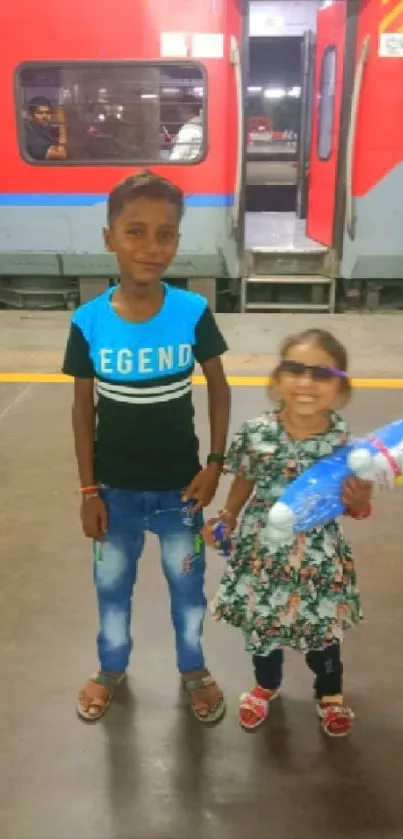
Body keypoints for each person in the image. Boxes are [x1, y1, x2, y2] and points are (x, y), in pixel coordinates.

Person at [62, 170, 230, 723]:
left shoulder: (192, 313)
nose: (151, 247)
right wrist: (89, 490)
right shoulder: (87, 323)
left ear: (177, 240)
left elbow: (219, 386)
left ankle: (193, 669)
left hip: (181, 491)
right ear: (109, 237)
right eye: (135, 232)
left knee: (188, 593)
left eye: (166, 234)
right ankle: (110, 668)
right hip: (113, 493)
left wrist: (215, 465)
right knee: (112, 590)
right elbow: (83, 408)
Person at [204, 329, 373, 737]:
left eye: (321, 374)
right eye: (295, 370)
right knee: (263, 629)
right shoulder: (256, 433)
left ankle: (329, 694)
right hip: (263, 552)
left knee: (322, 638)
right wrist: (227, 514)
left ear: (339, 388)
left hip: (317, 557)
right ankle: (266, 685)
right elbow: (245, 478)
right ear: (277, 381)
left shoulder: (345, 445)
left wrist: (360, 499)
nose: (306, 382)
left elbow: (355, 505)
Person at [24, 97, 67, 161]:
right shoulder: (36, 140)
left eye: (48, 113)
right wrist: (61, 122)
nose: (45, 117)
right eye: (40, 113)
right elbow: (61, 155)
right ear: (31, 115)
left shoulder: (40, 129)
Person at [170, 96, 203, 162]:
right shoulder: (201, 126)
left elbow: (177, 157)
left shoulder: (189, 130)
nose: (179, 117)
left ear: (188, 109)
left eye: (180, 112)